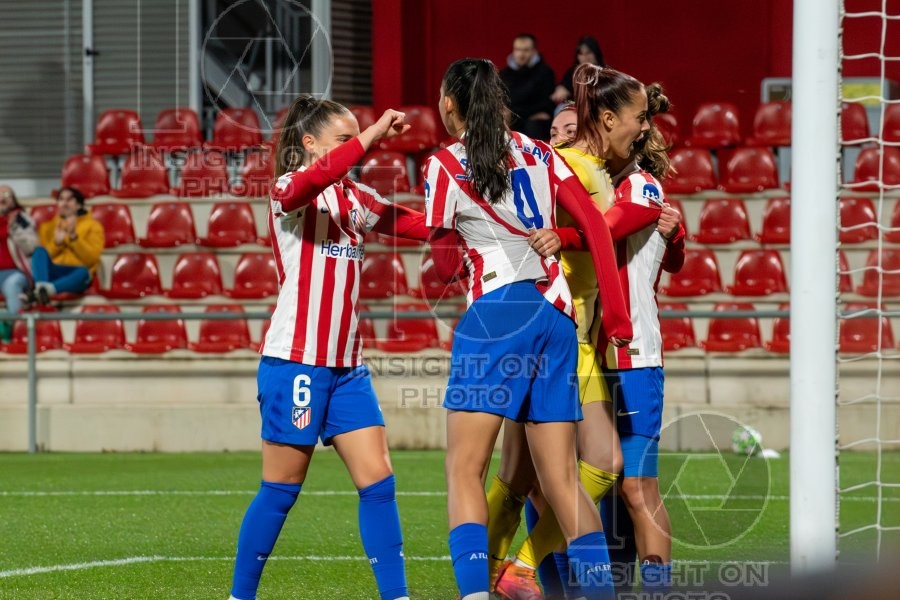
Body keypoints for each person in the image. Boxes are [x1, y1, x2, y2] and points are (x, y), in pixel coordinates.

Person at [425, 57, 633, 600]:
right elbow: (592, 226)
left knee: (465, 471)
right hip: (556, 316)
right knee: (563, 479)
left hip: (496, 313)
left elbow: (438, 248)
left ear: (450, 104)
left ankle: (474, 594)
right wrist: (618, 315)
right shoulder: (542, 151)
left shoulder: (446, 162)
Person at [490, 66, 684, 600]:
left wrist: (560, 232)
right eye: (557, 133)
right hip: (580, 348)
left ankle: (654, 589)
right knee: (548, 482)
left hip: (634, 357)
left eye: (569, 131)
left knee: (635, 485)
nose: (563, 139)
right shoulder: (588, 180)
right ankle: (535, 582)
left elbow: (606, 229)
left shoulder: (643, 186)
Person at [227, 97, 432, 600]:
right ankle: (240, 596)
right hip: (296, 359)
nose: (355, 148)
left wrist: (474, 219)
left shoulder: (354, 196)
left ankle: (396, 596)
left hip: (347, 367)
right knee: (281, 489)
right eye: (344, 139)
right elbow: (311, 181)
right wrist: (370, 137)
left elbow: (410, 223)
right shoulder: (287, 191)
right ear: (309, 144)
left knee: (379, 481)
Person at [28, 187, 104, 306]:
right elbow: (41, 260)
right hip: (53, 273)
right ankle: (42, 288)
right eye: (61, 199)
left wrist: (73, 238)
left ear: (79, 205)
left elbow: (92, 259)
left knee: (83, 272)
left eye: (69, 199)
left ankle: (42, 292)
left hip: (76, 274)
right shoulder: (46, 227)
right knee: (39, 251)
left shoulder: (93, 226)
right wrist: (56, 244)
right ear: (57, 203)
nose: (65, 203)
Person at [500, 34, 556, 141]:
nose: (521, 54)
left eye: (525, 50)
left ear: (534, 51)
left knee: (533, 126)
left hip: (534, 125)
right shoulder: (504, 74)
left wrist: (516, 112)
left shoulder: (545, 73)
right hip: (513, 120)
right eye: (517, 49)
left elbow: (545, 104)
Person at [0, 185, 38, 341]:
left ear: (13, 199)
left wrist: (14, 229)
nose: (2, 196)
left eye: (6, 194)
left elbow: (32, 247)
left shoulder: (21, 218)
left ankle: (18, 333)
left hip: (16, 273)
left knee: (12, 284)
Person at [551, 36, 606, 105]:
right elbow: (562, 95)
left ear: (596, 54)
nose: (585, 57)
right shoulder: (572, 72)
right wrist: (560, 93)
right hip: (574, 107)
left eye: (588, 53)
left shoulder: (605, 73)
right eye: (581, 53)